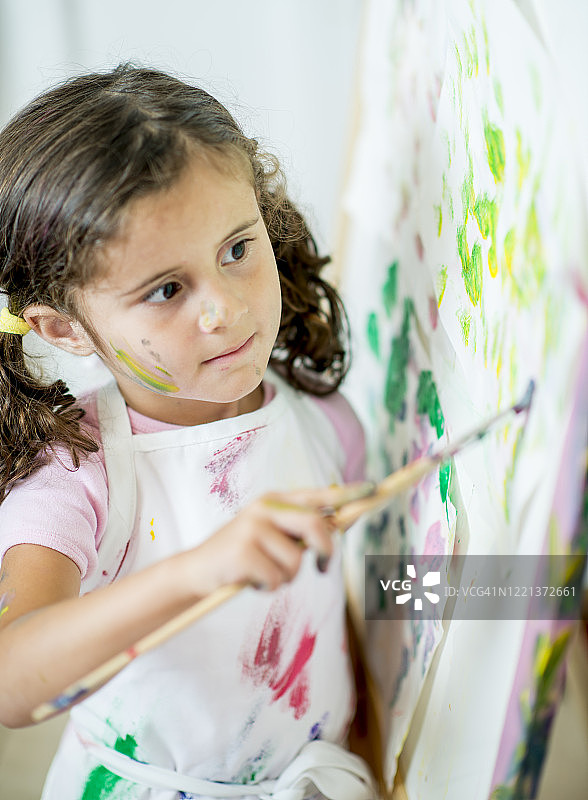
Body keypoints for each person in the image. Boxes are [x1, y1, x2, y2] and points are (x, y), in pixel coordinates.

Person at [0, 64, 377, 800]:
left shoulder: (322, 421)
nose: (226, 310)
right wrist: (199, 569)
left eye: (237, 250)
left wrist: (526, 591)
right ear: (64, 328)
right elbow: (14, 683)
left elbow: (372, 592)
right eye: (167, 290)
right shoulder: (80, 473)